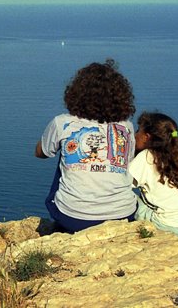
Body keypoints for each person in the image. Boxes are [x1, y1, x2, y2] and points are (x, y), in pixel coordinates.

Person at [35, 59, 137, 233]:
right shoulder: (125, 127)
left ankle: (64, 224)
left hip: (75, 218)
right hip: (123, 214)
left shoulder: (62, 123)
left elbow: (41, 152)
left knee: (66, 155)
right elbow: (126, 162)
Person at [129, 112, 178, 239]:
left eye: (138, 131)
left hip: (168, 226)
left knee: (124, 198)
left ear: (147, 137)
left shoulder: (147, 156)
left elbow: (121, 185)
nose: (135, 135)